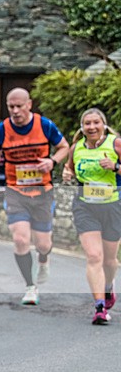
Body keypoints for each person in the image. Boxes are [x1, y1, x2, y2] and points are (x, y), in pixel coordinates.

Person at [0, 88, 70, 305]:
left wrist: (52, 162)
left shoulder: (44, 125)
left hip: (42, 192)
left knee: (43, 244)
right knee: (20, 239)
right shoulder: (1, 130)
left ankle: (44, 259)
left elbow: (64, 147)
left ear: (29, 105)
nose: (14, 111)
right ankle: (30, 286)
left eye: (19, 106)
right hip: (15, 191)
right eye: (10, 107)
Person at [62, 108, 121, 325]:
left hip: (113, 206)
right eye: (87, 123)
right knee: (94, 256)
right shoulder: (75, 148)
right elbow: (69, 171)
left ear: (103, 125)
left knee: (110, 260)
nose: (92, 127)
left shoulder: (115, 144)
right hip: (85, 207)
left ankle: (108, 286)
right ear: (82, 126)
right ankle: (99, 307)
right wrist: (67, 174)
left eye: (96, 122)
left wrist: (115, 166)